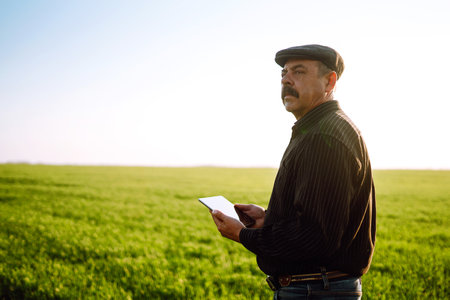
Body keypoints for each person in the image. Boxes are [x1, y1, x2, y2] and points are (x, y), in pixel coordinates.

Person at [210, 44, 376, 299]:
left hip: (313, 290)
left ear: (329, 81)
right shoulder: (321, 128)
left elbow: (315, 236)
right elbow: (322, 219)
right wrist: (269, 218)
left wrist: (243, 234)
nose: (286, 79)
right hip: (317, 288)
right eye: (284, 73)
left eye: (298, 72)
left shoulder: (323, 136)